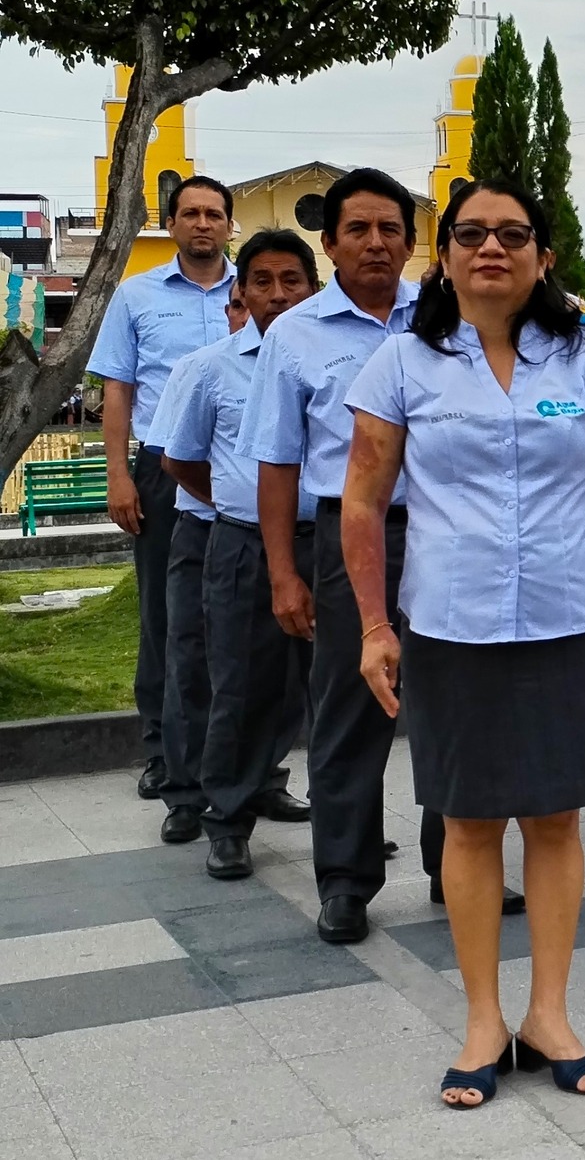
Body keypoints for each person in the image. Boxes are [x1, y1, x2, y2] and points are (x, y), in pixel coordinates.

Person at [341, 179, 585, 1110]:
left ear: (543, 256)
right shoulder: (402, 362)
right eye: (471, 233)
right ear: (447, 255)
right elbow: (361, 500)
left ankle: (548, 1012)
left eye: (513, 234)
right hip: (451, 624)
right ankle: (483, 1019)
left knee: (555, 817)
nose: (492, 249)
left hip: (564, 617)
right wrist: (374, 626)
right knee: (469, 822)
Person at [243, 168, 518, 944]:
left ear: (410, 241)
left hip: (450, 533)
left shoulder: (448, 319)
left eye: (391, 229)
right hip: (350, 538)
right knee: (349, 713)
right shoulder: (295, 335)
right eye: (357, 229)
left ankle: (457, 869)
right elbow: (275, 462)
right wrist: (283, 574)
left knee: (458, 706)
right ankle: (346, 882)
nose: (375, 243)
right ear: (328, 244)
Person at [151, 231, 323, 879]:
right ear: (241, 292)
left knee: (327, 693)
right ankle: (226, 820)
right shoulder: (209, 369)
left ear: (313, 288)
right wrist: (238, 500)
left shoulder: (339, 362)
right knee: (238, 686)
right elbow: (178, 458)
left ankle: (344, 825)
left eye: (292, 281)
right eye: (262, 281)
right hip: (243, 546)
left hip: (329, 544)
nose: (278, 295)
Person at [87, 176, 237, 802]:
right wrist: (119, 475)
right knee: (164, 615)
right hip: (159, 467)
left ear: (230, 224)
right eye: (191, 214)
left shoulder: (258, 289)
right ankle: (162, 750)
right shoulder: (136, 295)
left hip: (238, 469)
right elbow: (117, 389)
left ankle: (248, 765)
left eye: (214, 214)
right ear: (171, 224)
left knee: (242, 616)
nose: (203, 223)